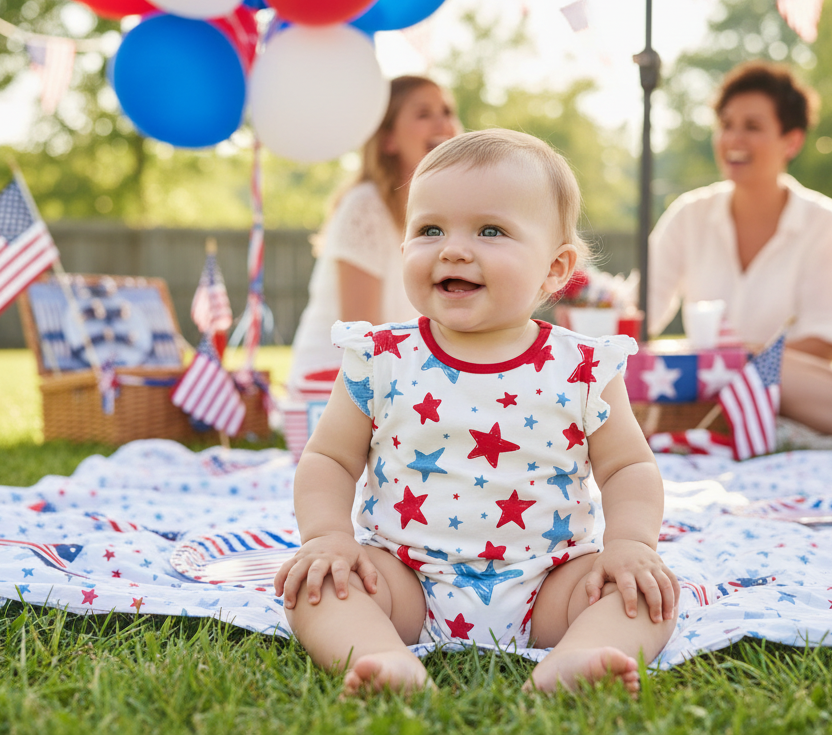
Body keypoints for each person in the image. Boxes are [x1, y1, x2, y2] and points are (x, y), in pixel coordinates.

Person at [275, 129, 679, 696]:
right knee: (318, 588)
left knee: (646, 596)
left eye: (491, 231)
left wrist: (632, 544)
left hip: (552, 584)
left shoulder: (584, 366)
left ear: (555, 270)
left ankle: (581, 656)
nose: (453, 249)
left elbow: (628, 468)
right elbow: (328, 459)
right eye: (430, 229)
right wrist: (328, 535)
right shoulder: (379, 358)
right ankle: (382, 657)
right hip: (404, 579)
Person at [649, 61, 832, 434]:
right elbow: (641, 312)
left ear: (791, 141)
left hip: (799, 409)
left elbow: (824, 340)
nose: (733, 139)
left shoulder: (823, 224)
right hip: (703, 406)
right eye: (726, 125)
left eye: (752, 127)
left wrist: (734, 361)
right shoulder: (688, 215)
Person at [288, 75, 461, 387]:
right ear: (388, 140)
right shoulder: (366, 206)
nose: (443, 123)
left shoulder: (448, 211)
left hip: (398, 377)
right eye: (424, 114)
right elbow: (361, 334)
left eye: (447, 111)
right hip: (338, 383)